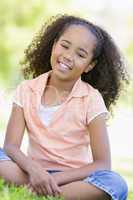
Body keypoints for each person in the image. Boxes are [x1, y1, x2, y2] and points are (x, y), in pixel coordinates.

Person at [0, 14, 128, 200]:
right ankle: (45, 192)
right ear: (54, 45)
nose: (68, 56)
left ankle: (37, 193)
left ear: (89, 66)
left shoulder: (91, 99)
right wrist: (36, 171)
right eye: (65, 46)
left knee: (115, 183)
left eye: (80, 54)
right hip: (30, 172)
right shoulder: (26, 90)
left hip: (72, 178)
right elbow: (11, 146)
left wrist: (54, 178)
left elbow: (102, 163)